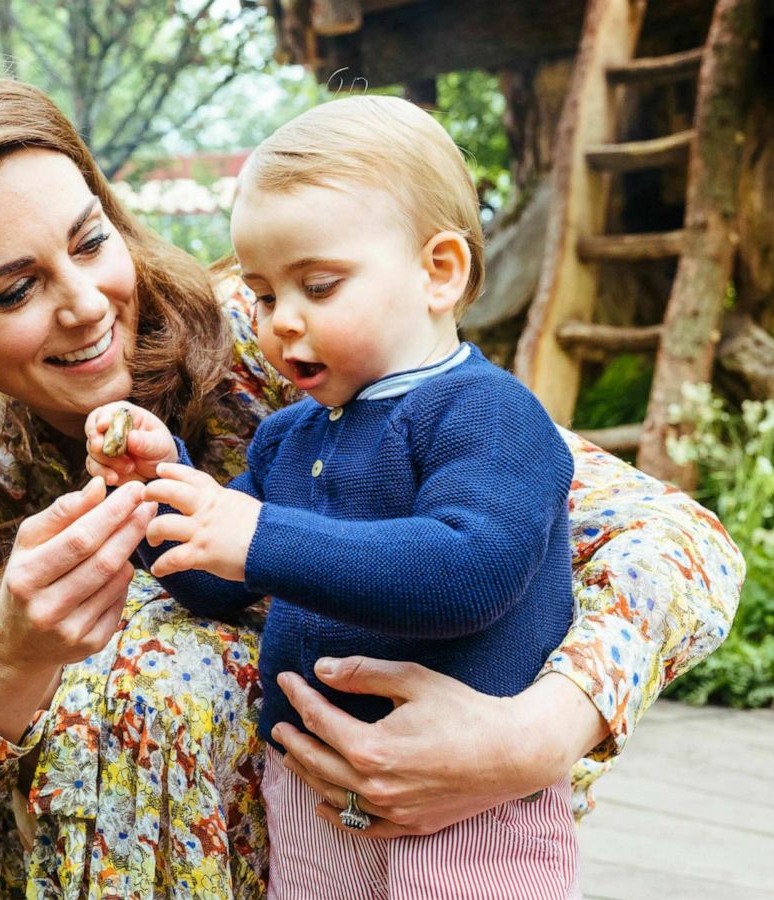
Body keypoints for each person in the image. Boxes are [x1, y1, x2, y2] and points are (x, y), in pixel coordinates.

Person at [0, 73, 744, 899]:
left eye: (90, 243)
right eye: (14, 291)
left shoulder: (291, 344)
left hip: (416, 847)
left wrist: (538, 736)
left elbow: (679, 541)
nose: (86, 304)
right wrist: (10, 654)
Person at [84, 95, 582, 898]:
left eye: (319, 285)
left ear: (438, 271)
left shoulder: (488, 413)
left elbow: (471, 570)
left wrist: (259, 537)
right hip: (312, 793)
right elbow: (214, 580)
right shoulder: (291, 438)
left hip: (470, 805)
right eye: (266, 294)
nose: (283, 322)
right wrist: (157, 488)